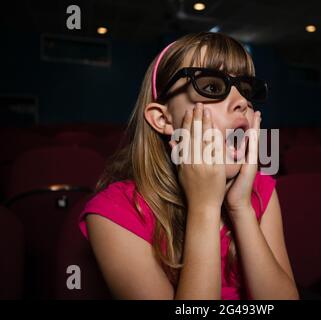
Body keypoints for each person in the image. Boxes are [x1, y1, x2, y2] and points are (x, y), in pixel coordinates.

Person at [78, 31, 299, 300]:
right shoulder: (113, 211)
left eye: (245, 89)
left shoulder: (260, 191)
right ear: (163, 119)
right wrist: (204, 207)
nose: (242, 101)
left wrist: (240, 208)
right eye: (212, 87)